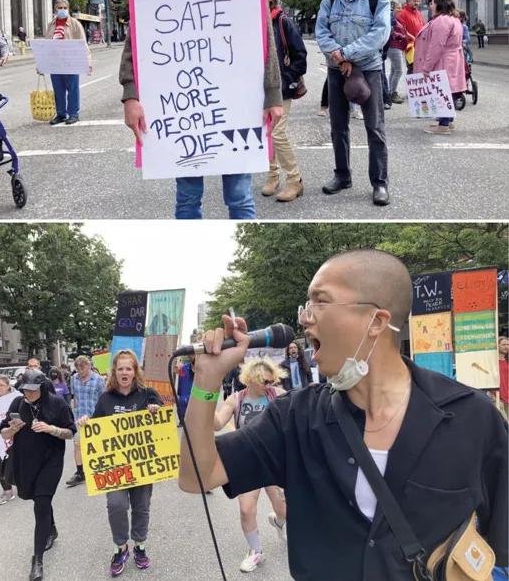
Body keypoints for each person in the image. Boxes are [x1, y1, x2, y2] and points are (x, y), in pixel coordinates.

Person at [178, 248, 508, 580]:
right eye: (306, 306)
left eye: (319, 302)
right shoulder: (294, 417)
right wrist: (206, 381)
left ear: (376, 321)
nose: (305, 318)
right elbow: (197, 477)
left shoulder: (472, 419)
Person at [120, 0, 283, 220]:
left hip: (236, 102)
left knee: (241, 199)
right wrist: (131, 93)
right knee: (186, 199)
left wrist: (273, 94)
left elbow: (262, 33)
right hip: (183, 112)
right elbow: (139, 34)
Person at [315, 0, 392, 207]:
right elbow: (321, 30)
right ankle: (342, 175)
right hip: (336, 70)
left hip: (368, 69)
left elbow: (380, 34)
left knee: (375, 128)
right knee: (338, 127)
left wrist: (347, 53)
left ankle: (379, 183)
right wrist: (338, 56)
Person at [213, 356, 289, 572]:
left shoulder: (278, 396)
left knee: (285, 510)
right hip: (247, 459)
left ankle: (277, 520)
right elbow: (218, 423)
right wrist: (205, 402)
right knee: (247, 510)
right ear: (251, 379)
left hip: (274, 460)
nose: (269, 386)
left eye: (271, 381)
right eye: (265, 382)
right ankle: (255, 551)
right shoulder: (236, 399)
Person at [0, 369, 76, 581]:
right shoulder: (17, 404)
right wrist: (12, 429)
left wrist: (51, 428)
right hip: (26, 461)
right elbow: (3, 432)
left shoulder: (57, 403)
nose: (28, 394)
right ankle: (51, 528)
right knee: (38, 498)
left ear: (41, 386)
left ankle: (37, 560)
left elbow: (71, 432)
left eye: (32, 390)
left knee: (41, 503)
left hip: (51, 461)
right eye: (25, 390)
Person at [93, 351, 163, 575]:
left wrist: (155, 410)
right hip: (115, 468)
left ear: (135, 371)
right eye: (120, 368)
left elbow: (162, 423)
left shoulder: (148, 394)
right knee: (116, 505)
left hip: (142, 467)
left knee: (141, 507)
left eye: (128, 368)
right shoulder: (105, 399)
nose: (124, 372)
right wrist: (86, 423)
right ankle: (121, 547)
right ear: (114, 371)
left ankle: (139, 546)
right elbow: (96, 430)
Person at [263, 0, 306, 202]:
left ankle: (294, 180)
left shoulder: (282, 21)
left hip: (281, 88)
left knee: (277, 133)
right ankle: (272, 176)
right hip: (259, 89)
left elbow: (301, 57)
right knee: (266, 133)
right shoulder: (252, 22)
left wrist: (285, 80)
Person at [413, 0, 466, 136]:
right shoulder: (454, 19)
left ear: (439, 5)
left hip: (444, 61)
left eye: (432, 3)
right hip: (453, 59)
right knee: (450, 90)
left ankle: (443, 125)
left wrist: (427, 67)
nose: (430, 5)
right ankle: (448, 121)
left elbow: (436, 46)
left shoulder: (441, 21)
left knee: (443, 91)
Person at [42, 0, 90, 125]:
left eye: (65, 8)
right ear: (55, 9)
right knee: (58, 89)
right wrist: (42, 64)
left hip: (71, 61)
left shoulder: (75, 24)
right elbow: (46, 45)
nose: (62, 10)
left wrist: (87, 62)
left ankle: (73, 113)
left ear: (68, 9)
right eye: (60, 8)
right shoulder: (51, 25)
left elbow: (83, 44)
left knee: (72, 88)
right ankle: (61, 114)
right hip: (55, 62)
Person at [65, 354, 104, 488]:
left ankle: (97, 469)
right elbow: (74, 397)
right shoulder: (74, 379)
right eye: (78, 368)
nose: (80, 371)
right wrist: (73, 413)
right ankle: (80, 472)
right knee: (78, 444)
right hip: (79, 416)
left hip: (94, 416)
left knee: (95, 445)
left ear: (89, 366)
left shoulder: (98, 380)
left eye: (83, 368)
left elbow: (103, 398)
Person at [0, 373, 18, 505]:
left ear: (8, 386)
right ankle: (7, 490)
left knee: (20, 460)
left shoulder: (17, 397)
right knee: (0, 463)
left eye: (1, 385)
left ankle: (24, 484)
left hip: (16, 435)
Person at [385, 2, 412, 104]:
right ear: (392, 9)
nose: (400, 10)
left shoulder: (397, 19)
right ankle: (392, 93)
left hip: (398, 47)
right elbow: (390, 32)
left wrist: (409, 36)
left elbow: (403, 30)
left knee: (394, 70)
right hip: (394, 46)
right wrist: (402, 36)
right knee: (399, 71)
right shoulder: (390, 18)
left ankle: (390, 91)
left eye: (401, 8)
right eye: (398, 8)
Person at [175, 354, 195, 424]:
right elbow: (180, 379)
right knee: (181, 405)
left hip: (195, 394)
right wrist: (179, 393)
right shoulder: (184, 368)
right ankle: (182, 421)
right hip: (184, 393)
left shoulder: (202, 369)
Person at [498, 336, 508, 420]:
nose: (506, 347)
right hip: (497, 397)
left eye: (508, 344)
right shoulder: (493, 361)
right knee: (505, 424)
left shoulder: (507, 360)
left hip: (507, 396)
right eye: (503, 344)